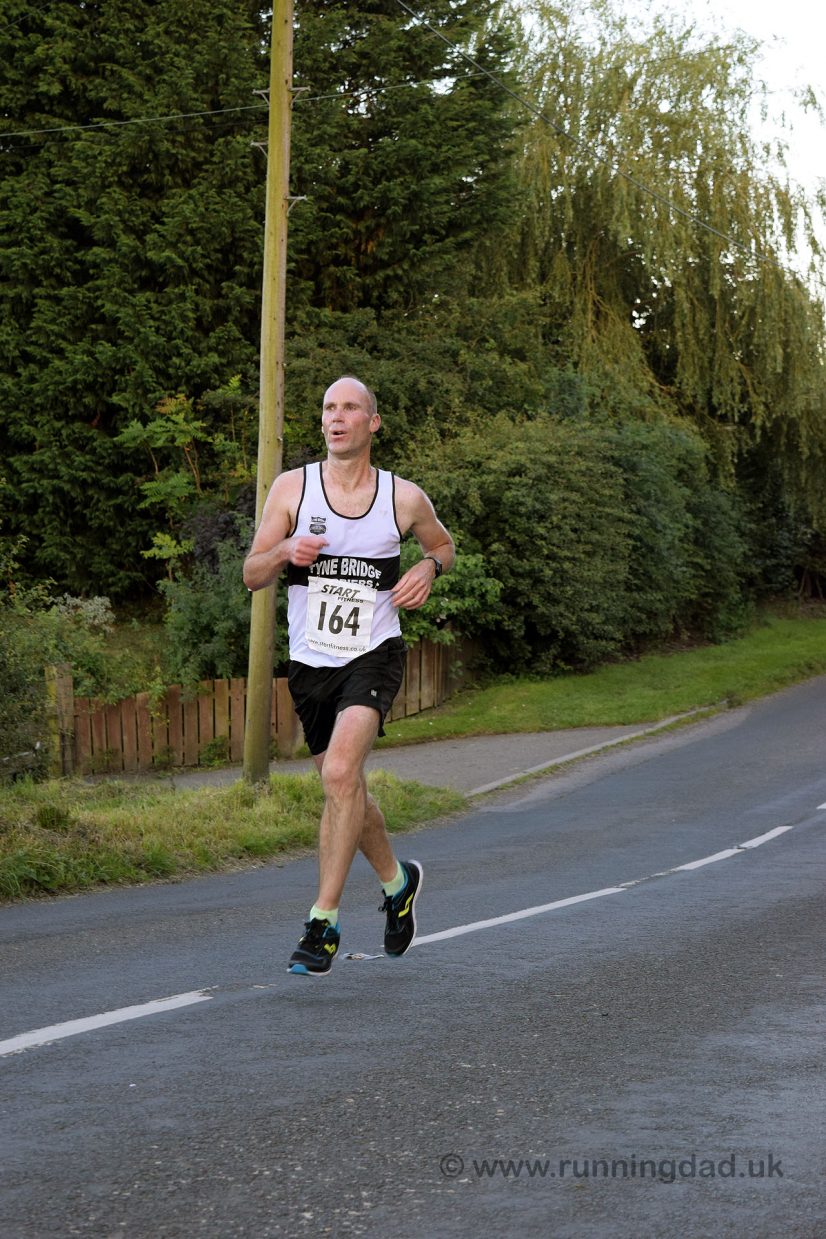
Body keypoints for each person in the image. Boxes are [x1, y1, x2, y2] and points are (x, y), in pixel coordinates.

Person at [243, 375, 454, 976]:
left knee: (340, 773)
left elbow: (444, 545)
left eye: (350, 408)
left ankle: (323, 924)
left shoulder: (402, 497)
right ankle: (397, 883)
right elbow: (252, 573)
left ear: (373, 423)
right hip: (311, 662)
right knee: (345, 792)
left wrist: (428, 568)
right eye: (329, 407)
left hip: (374, 652)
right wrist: (284, 553)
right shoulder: (292, 489)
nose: (336, 417)